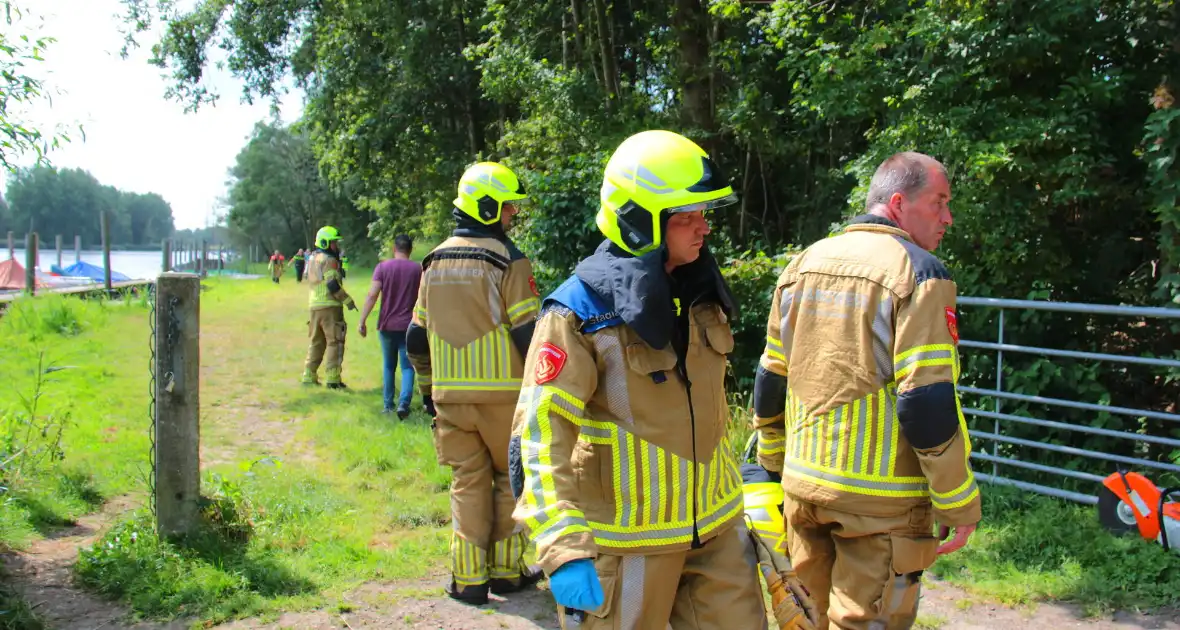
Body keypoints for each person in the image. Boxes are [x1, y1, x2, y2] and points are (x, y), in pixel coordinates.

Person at [509, 130, 767, 630]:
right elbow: (538, 438)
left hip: (716, 537)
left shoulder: (700, 292)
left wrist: (752, 486)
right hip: (626, 547)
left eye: (704, 213)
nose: (703, 228)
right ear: (639, 220)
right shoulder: (578, 312)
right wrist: (562, 547)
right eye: (687, 216)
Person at [750, 151, 981, 629]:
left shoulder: (802, 263)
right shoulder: (920, 273)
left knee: (806, 620)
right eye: (939, 202)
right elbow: (926, 402)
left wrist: (774, 461)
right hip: (880, 507)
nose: (948, 217)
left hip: (803, 488)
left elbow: (771, 378)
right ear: (899, 202)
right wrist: (957, 499)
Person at [406, 162, 544, 604]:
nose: (512, 217)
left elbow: (415, 336)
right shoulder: (510, 260)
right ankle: (505, 572)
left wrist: (428, 390)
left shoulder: (433, 260)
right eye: (507, 209)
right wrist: (541, 391)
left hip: (450, 399)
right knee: (507, 480)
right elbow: (530, 334)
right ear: (486, 208)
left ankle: (467, 580)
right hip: (504, 398)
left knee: (466, 482)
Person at [358, 234, 428, 418]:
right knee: (407, 367)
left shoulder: (382, 267)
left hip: (387, 325)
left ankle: (388, 405)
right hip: (410, 326)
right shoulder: (419, 269)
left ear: (393, 248)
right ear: (410, 249)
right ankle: (404, 403)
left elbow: (372, 295)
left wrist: (362, 320)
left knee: (389, 366)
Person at [301, 226, 357, 389]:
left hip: (314, 306)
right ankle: (333, 379)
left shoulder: (312, 259)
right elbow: (332, 284)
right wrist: (348, 301)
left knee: (316, 342)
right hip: (330, 306)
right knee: (335, 341)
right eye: (333, 243)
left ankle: (309, 375)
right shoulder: (329, 260)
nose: (336, 246)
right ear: (325, 243)